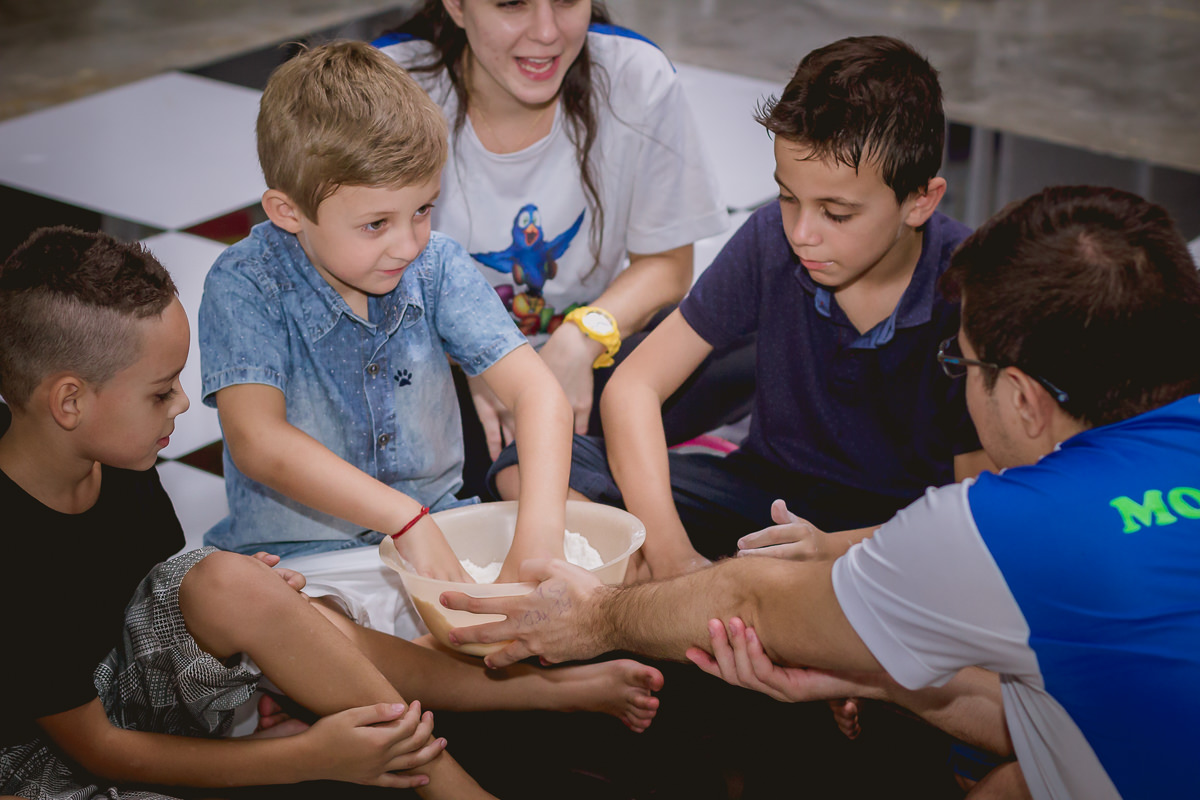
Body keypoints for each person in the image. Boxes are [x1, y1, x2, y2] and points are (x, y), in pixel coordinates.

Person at [441, 185, 1200, 799]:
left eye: (963, 365)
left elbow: (750, 601)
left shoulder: (1003, 530)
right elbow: (1052, 714)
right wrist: (879, 676)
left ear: (1026, 400)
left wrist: (597, 615)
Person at [494, 35, 988, 581]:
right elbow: (633, 388)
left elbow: (975, 508)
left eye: (837, 214)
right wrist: (672, 555)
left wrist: (831, 548)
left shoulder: (973, 288)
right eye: (788, 197)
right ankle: (674, 584)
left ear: (920, 200)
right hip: (763, 497)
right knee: (527, 465)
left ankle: (679, 594)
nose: (802, 233)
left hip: (892, 532)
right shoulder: (768, 238)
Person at [199, 39, 580, 630]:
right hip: (300, 562)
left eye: (423, 210)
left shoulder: (437, 265)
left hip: (444, 532)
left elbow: (540, 395)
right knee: (307, 631)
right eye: (376, 224)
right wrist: (405, 519)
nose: (408, 244)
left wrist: (537, 541)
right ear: (287, 211)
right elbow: (258, 440)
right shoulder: (247, 282)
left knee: (572, 574)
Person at [374, 0, 737, 496]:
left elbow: (668, 266)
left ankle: (573, 466)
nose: (546, 32)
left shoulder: (635, 74)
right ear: (456, 5)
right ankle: (603, 463)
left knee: (763, 318)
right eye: (512, 4)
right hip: (444, 375)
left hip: (584, 364)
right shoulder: (385, 86)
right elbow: (342, 275)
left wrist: (582, 336)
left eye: (566, 0)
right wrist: (476, 354)